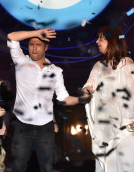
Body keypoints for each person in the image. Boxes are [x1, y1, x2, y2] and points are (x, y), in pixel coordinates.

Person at [7, 28, 89, 172]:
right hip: (22, 126)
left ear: (46, 47)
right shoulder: (21, 61)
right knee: (19, 167)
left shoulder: (56, 71)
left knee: (47, 168)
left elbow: (64, 98)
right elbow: (11, 36)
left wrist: (81, 100)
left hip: (45, 127)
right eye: (31, 44)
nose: (33, 47)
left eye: (38, 44)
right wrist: (36, 33)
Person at [83, 26, 134, 172]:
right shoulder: (97, 66)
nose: (97, 42)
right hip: (105, 130)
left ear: (112, 41)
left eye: (101, 38)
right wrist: (86, 91)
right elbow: (88, 86)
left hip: (125, 128)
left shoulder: (127, 63)